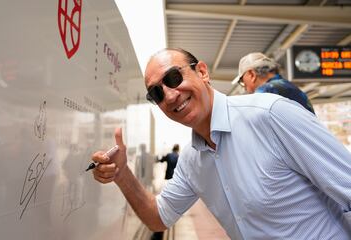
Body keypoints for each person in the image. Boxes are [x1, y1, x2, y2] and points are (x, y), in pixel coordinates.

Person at [91, 48, 351, 239]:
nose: (170, 95)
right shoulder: (192, 161)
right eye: (156, 93)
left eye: (173, 78)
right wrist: (122, 173)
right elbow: (158, 218)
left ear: (202, 72)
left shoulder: (272, 114)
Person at [237, 52, 315, 114]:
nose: (245, 89)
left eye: (243, 82)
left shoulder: (267, 90)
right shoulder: (288, 86)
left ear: (251, 74)